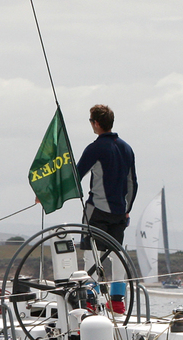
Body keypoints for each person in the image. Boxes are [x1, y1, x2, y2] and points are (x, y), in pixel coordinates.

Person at [76, 104, 137, 314]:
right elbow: (133, 184)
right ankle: (117, 301)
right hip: (120, 212)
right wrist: (127, 209)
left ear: (96, 123)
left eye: (91, 121)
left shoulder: (95, 148)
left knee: (90, 255)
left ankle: (90, 300)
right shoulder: (127, 148)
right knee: (117, 253)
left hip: (97, 210)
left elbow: (76, 176)